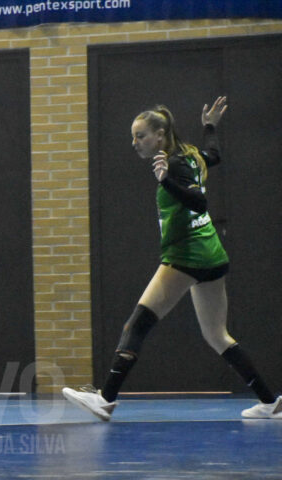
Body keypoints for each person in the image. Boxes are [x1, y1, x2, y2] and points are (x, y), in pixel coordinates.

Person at [63, 96, 281, 421]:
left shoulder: (174, 164)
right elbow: (214, 155)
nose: (135, 143)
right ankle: (270, 402)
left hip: (186, 256)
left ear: (161, 135)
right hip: (212, 255)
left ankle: (105, 398)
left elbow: (198, 202)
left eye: (141, 136)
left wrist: (166, 181)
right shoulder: (191, 155)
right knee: (216, 335)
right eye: (133, 137)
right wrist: (209, 127)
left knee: (137, 323)